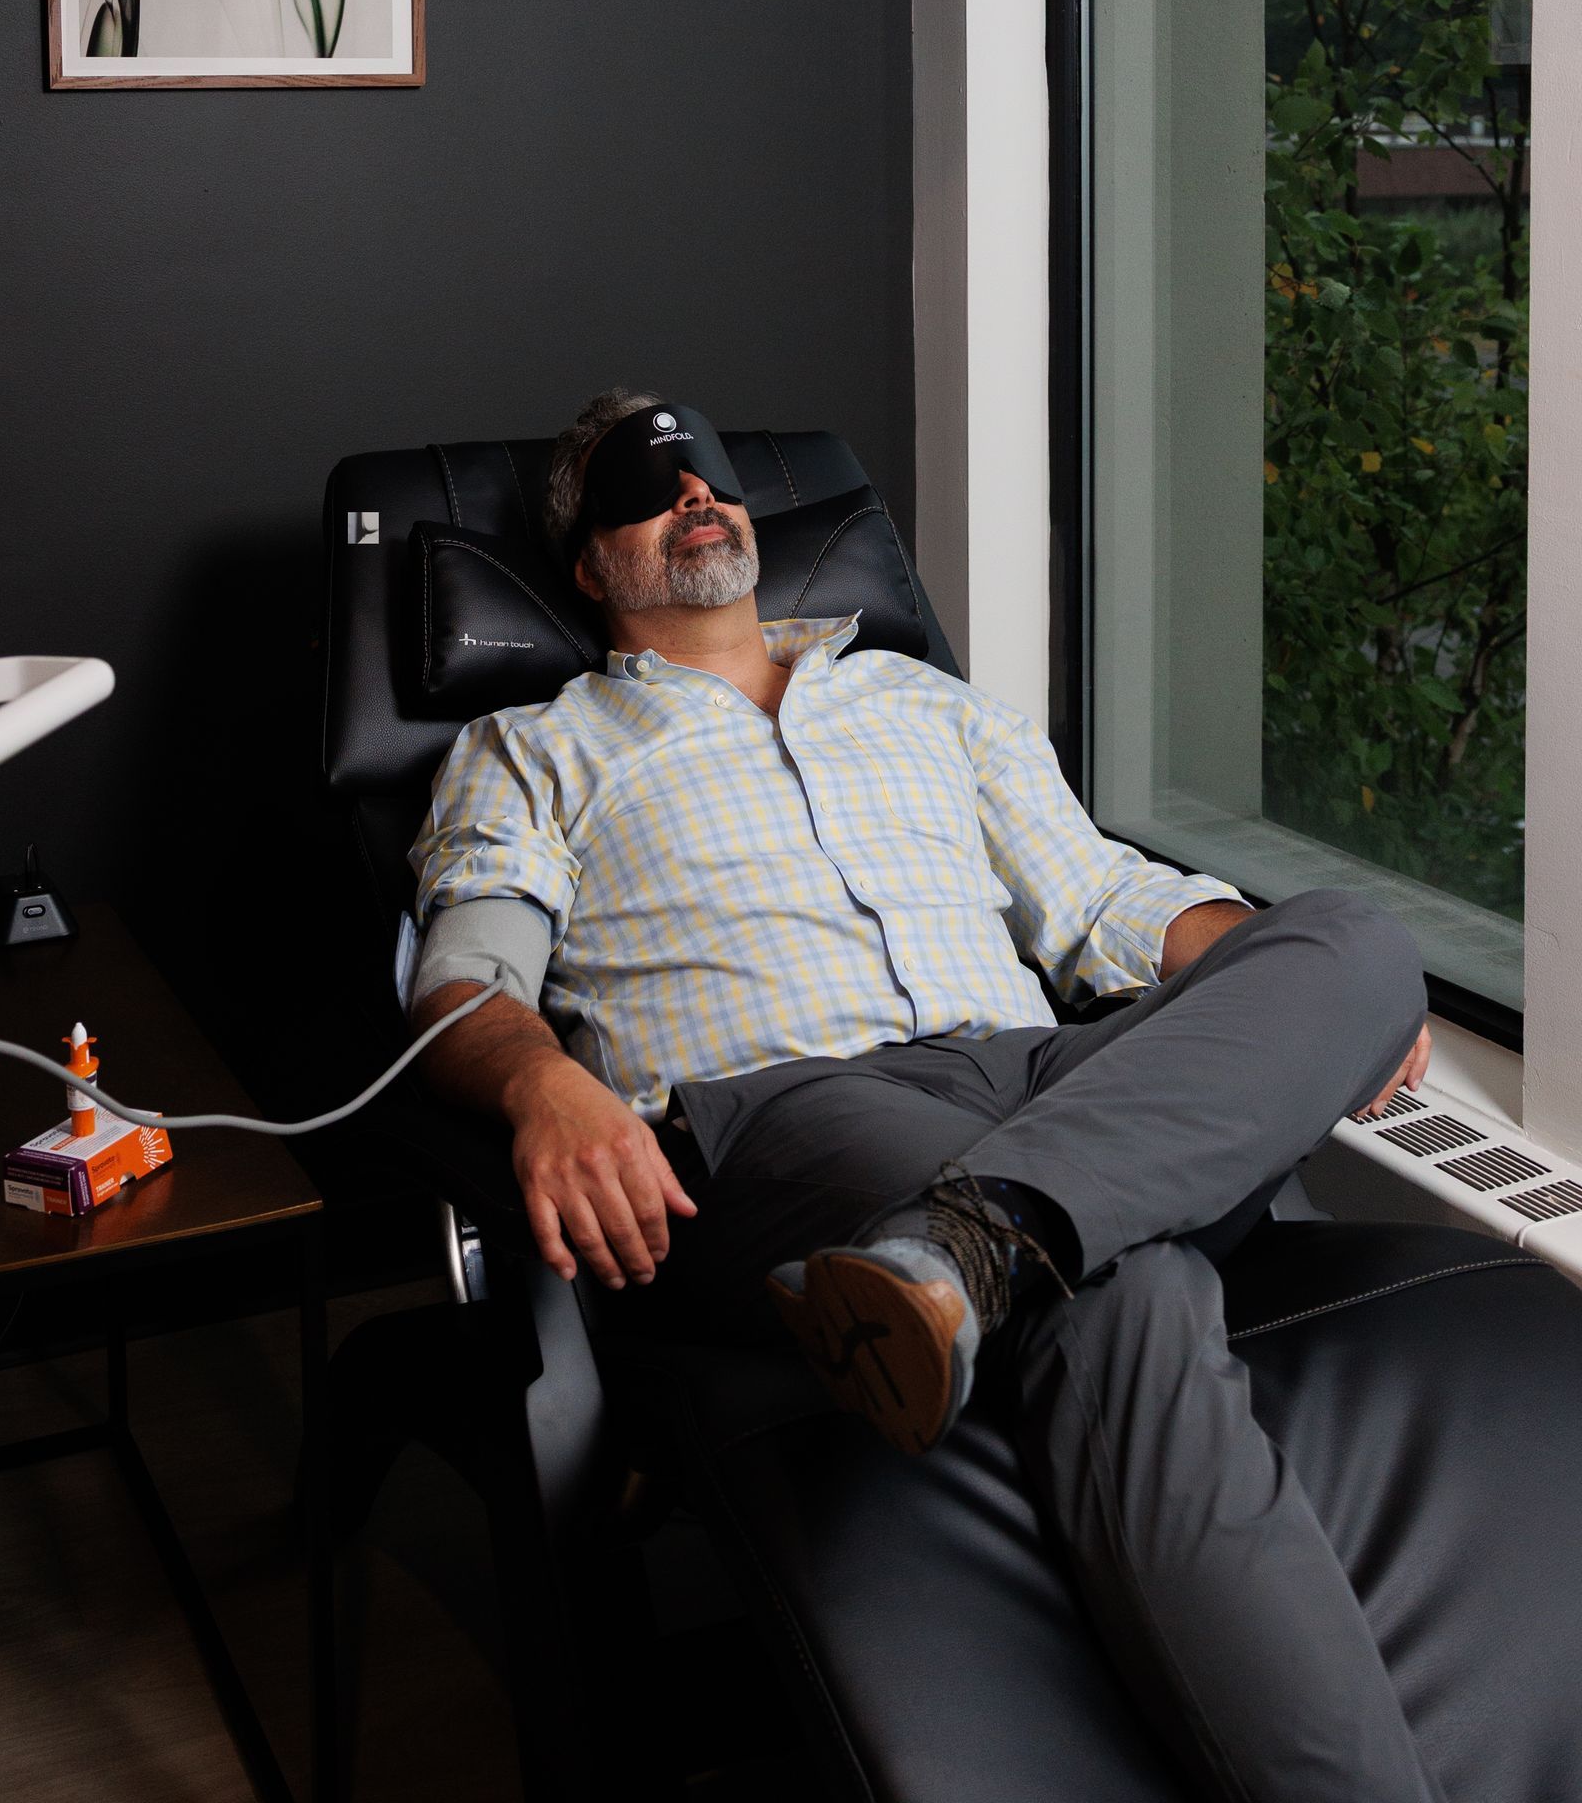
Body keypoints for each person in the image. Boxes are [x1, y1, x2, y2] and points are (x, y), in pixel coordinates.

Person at [408, 387, 1439, 1803]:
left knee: (1356, 942)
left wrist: (1293, 992)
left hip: (1040, 1070)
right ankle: (1010, 1238)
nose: (698, 497)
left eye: (711, 477)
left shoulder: (928, 703)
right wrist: (541, 1088)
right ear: (591, 568)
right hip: (789, 1107)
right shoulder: (533, 747)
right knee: (1123, 1292)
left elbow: (1099, 902)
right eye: (650, 494)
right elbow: (464, 980)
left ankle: (977, 1246)